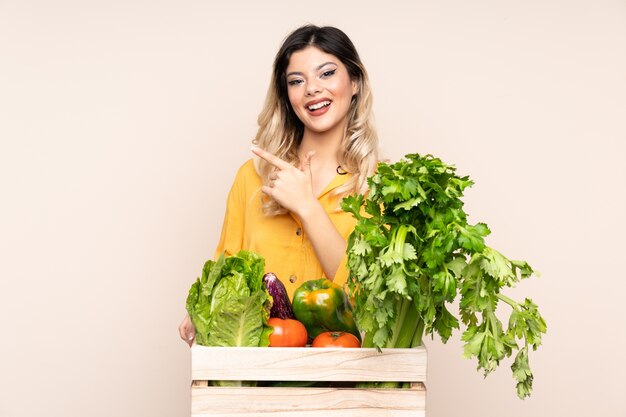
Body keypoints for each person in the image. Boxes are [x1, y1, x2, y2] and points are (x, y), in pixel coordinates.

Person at [179, 24, 378, 346]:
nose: (312, 89)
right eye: (296, 81)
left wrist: (308, 208)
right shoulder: (252, 176)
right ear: (287, 96)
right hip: (260, 366)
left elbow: (367, 297)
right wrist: (205, 304)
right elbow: (229, 267)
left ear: (354, 82)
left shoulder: (381, 185)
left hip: (341, 368)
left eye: (326, 74)